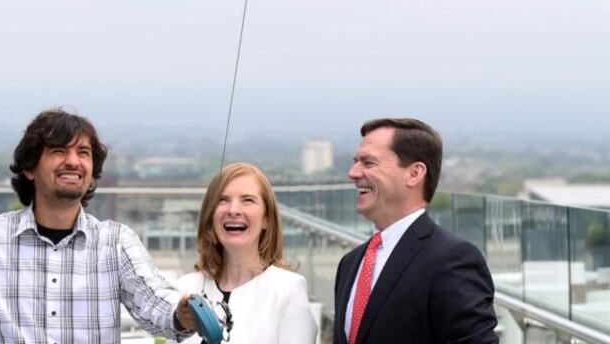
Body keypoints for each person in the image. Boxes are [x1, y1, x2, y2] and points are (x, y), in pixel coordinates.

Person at [0, 108, 197, 343]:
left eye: (83, 152)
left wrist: (181, 314)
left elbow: (155, 301)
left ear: (92, 172)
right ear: (30, 169)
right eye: (58, 151)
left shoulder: (116, 242)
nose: (73, 161)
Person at [334, 118, 498, 344]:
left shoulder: (452, 260)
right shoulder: (350, 264)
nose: (353, 173)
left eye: (368, 163)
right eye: (355, 162)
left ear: (414, 174)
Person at [171, 163, 317, 344]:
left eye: (248, 200)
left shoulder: (288, 289)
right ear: (210, 217)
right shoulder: (187, 287)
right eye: (222, 199)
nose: (233, 210)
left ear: (267, 219)